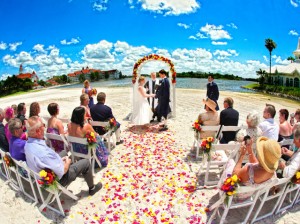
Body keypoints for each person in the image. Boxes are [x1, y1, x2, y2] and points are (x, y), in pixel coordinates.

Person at [25, 116, 102, 195]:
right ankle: (92, 188)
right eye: (43, 126)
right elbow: (62, 171)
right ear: (38, 131)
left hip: (42, 173)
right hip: (58, 179)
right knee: (86, 162)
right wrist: (67, 162)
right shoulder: (43, 153)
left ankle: (70, 163)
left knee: (64, 152)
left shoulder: (27, 145)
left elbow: (48, 160)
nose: (44, 128)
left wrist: (60, 160)